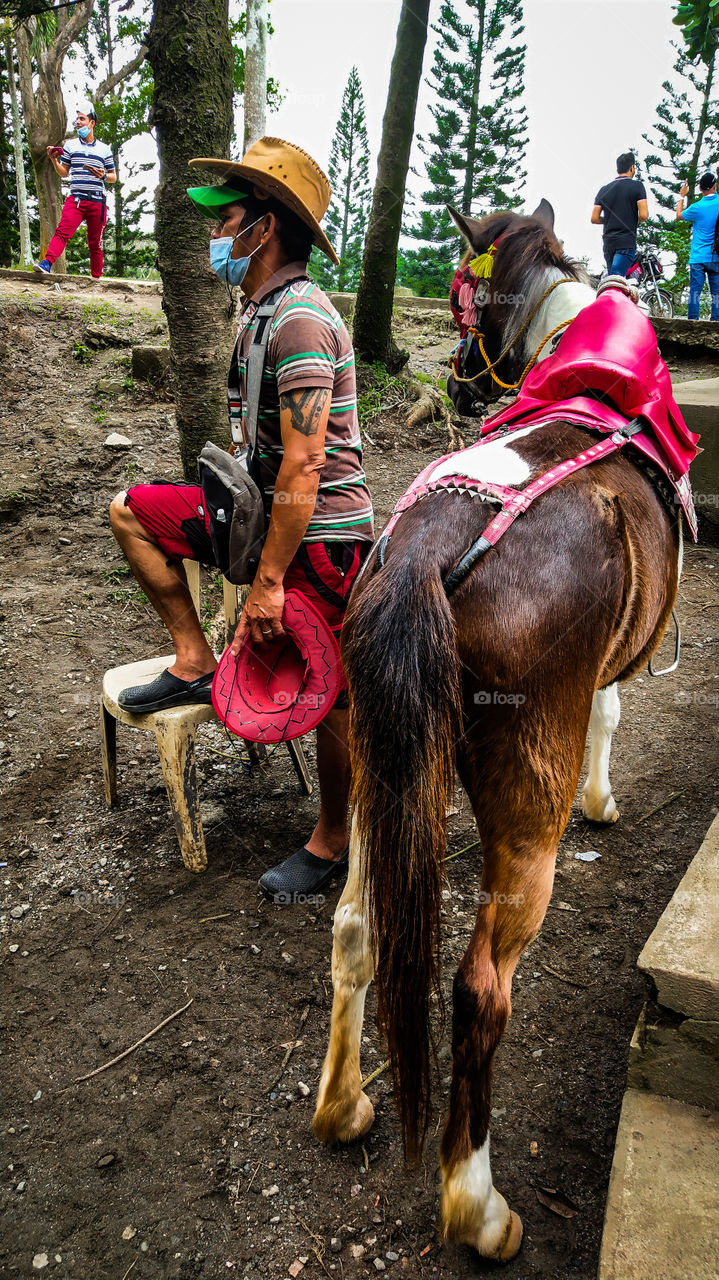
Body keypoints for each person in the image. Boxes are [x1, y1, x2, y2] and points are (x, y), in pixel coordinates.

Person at [109, 137, 374, 903]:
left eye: (224, 220)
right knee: (132, 511)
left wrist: (264, 584)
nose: (213, 234)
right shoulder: (258, 310)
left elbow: (303, 467)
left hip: (317, 534)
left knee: (333, 694)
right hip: (257, 515)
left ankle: (333, 840)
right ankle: (194, 659)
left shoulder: (299, 322)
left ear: (265, 228)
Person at [35, 105, 116, 279]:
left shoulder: (104, 149)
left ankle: (96, 279)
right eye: (77, 119)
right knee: (62, 232)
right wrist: (54, 161)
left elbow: (113, 177)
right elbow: (64, 172)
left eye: (82, 119)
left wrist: (103, 176)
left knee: (95, 244)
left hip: (97, 201)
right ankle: (46, 264)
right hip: (76, 200)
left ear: (91, 122)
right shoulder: (70, 146)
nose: (78, 122)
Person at [591, 151, 648, 276]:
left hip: (608, 242)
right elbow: (644, 215)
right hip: (626, 241)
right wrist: (630, 217)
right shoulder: (637, 186)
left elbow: (594, 218)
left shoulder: (604, 189)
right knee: (617, 279)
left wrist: (611, 219)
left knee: (613, 277)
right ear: (632, 167)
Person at [676, 170, 719, 322]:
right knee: (717, 294)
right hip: (715, 256)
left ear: (700, 189)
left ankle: (692, 322)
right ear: (714, 186)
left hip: (697, 257)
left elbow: (679, 216)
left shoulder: (697, 207)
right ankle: (716, 323)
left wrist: (682, 195)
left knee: (695, 292)